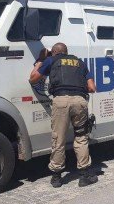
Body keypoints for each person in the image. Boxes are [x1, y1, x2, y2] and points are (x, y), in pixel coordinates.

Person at [29, 43, 98, 188]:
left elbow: (33, 78)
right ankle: (84, 176)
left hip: (60, 102)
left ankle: (56, 177)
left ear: (53, 53)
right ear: (67, 52)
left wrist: (41, 60)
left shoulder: (51, 60)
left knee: (58, 139)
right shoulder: (80, 62)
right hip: (79, 102)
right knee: (81, 138)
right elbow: (92, 88)